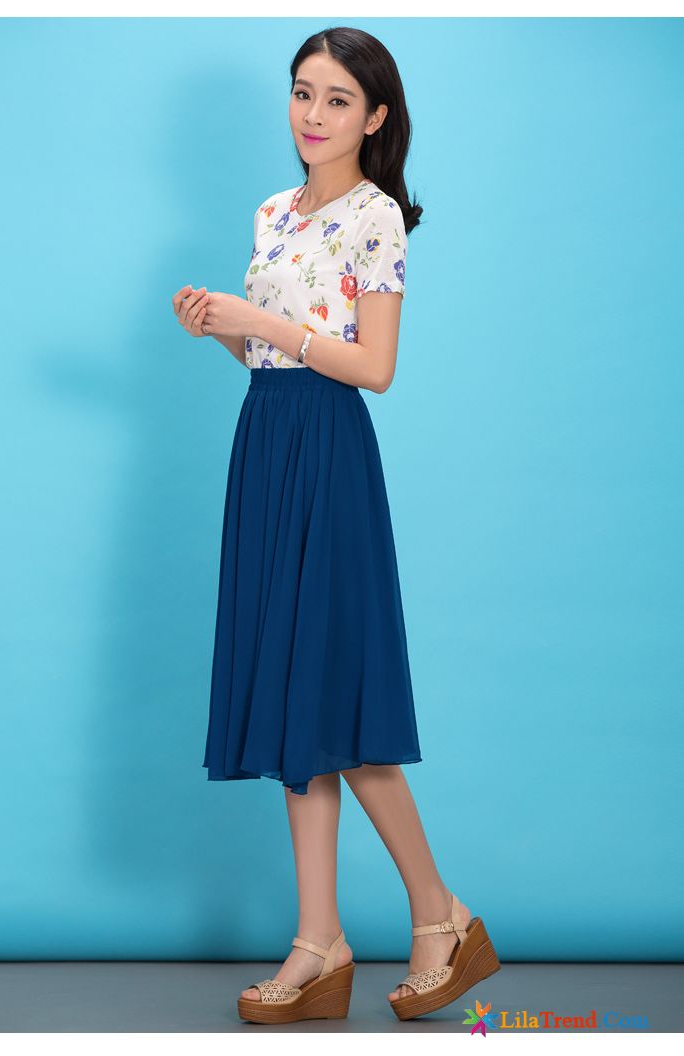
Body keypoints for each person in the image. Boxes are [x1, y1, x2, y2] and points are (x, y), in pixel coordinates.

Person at [172, 26, 500, 1024]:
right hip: (266, 445)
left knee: (341, 703)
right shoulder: (273, 212)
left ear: (376, 117)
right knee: (292, 708)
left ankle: (440, 915)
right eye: (302, 92)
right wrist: (223, 330)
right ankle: (319, 943)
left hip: (329, 455)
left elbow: (373, 368)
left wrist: (263, 322)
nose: (312, 115)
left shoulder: (376, 218)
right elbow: (269, 361)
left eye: (337, 99)